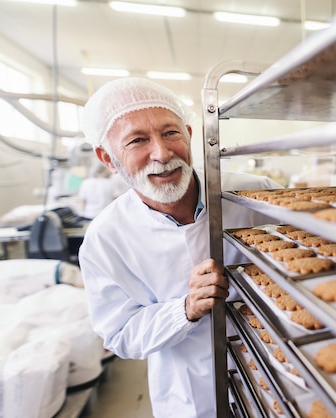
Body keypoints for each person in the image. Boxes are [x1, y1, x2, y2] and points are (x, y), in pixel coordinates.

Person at [78, 78, 281, 417]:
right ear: (108, 158)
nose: (162, 153)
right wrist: (185, 309)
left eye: (171, 133)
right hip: (190, 393)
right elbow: (120, 333)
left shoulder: (254, 195)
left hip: (276, 375)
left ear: (189, 134)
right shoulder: (105, 239)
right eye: (137, 140)